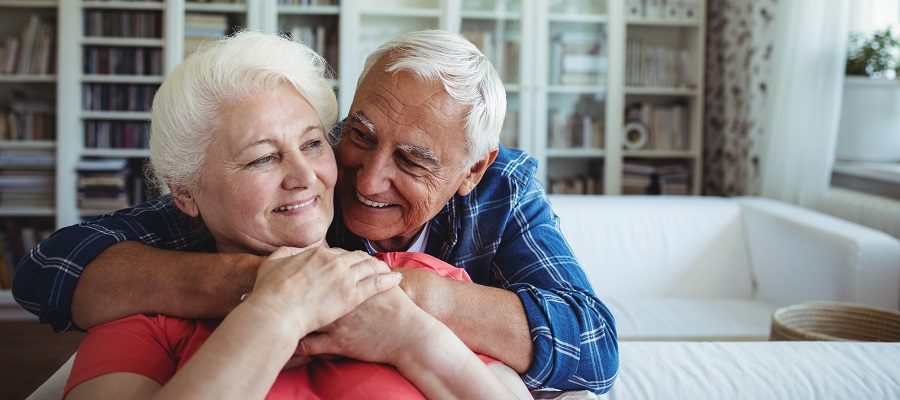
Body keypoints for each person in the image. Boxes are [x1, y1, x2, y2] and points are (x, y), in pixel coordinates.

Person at [14, 30, 618, 393]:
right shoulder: (294, 182)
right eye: (359, 132)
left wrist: (411, 298)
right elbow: (52, 267)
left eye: (412, 160)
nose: (366, 176)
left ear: (472, 172)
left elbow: (592, 342)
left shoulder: (501, 189)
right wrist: (271, 283)